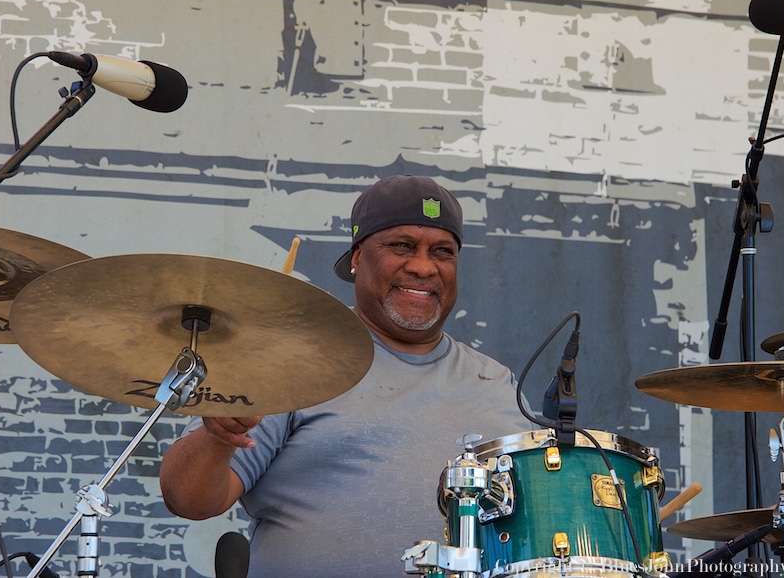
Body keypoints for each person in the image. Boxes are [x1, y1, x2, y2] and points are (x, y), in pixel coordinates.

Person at [159, 175, 532, 577]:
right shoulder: (291, 363)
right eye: (401, 246)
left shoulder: (498, 385)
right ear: (357, 258)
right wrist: (218, 437)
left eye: (442, 252)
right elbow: (189, 500)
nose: (424, 267)